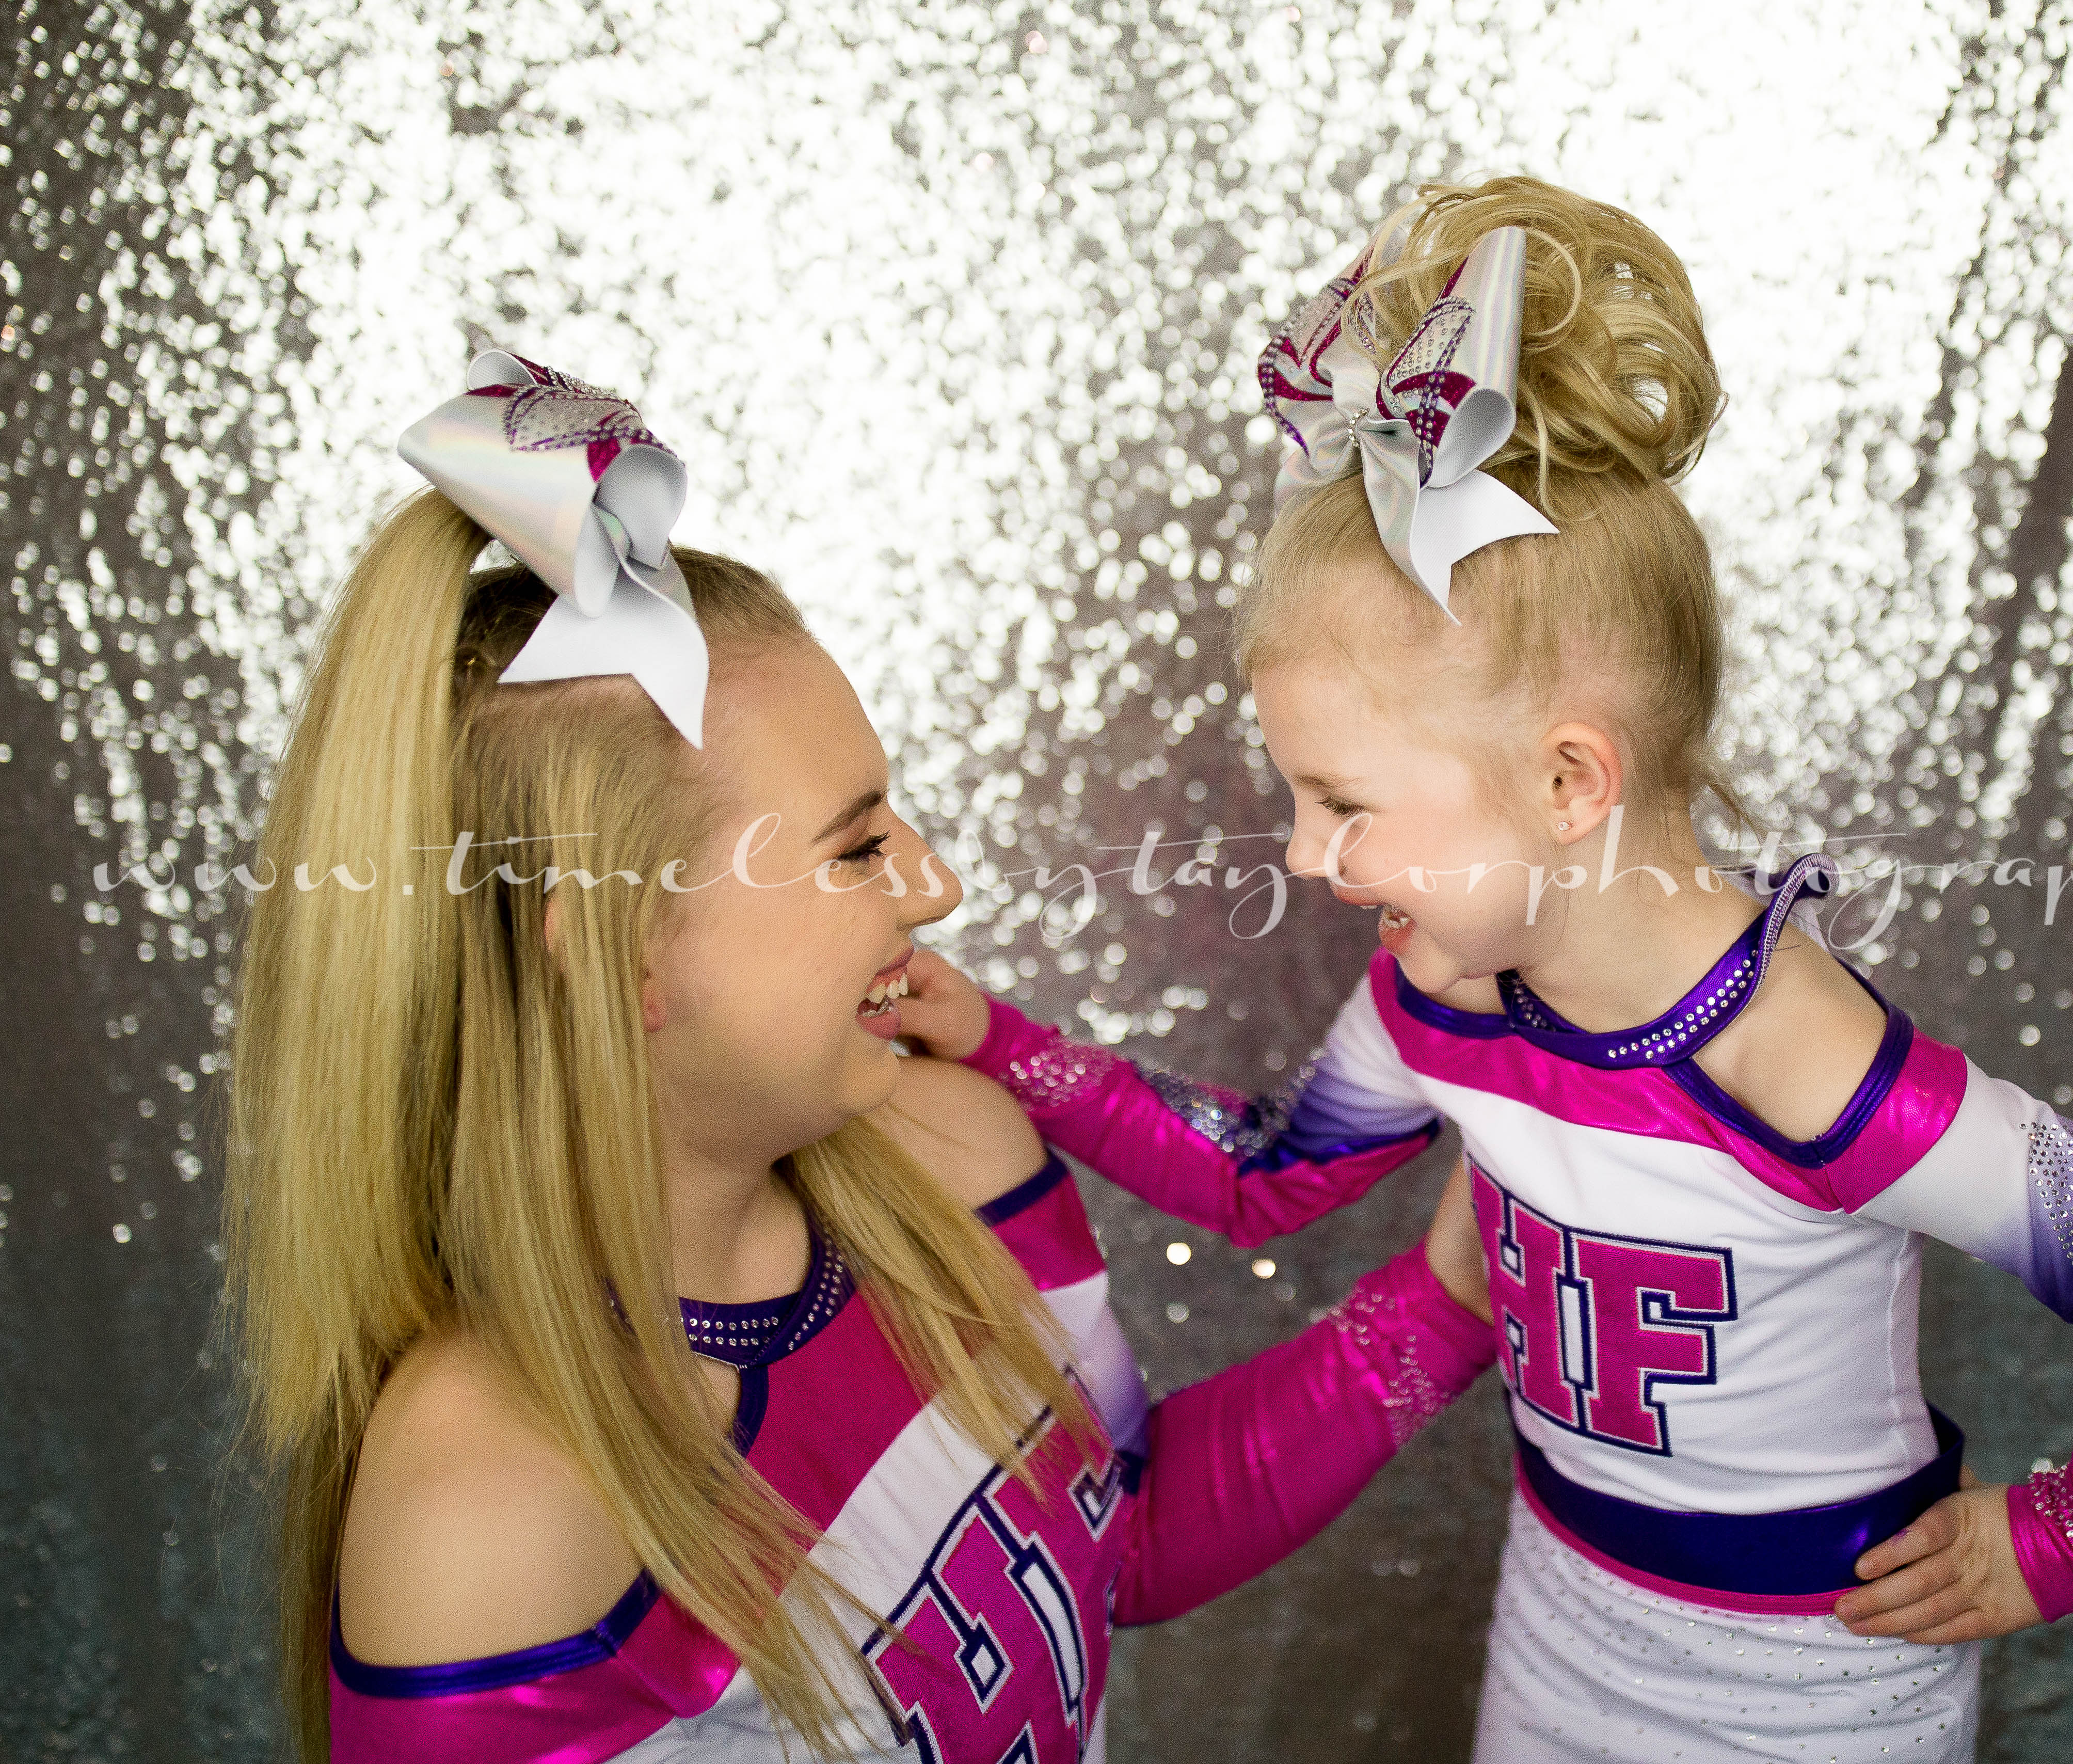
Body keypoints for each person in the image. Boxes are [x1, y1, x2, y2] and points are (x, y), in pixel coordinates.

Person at [893, 178, 2073, 1762]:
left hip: (1822, 1682)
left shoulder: (1799, 1058)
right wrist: (998, 1037)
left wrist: (2067, 1538)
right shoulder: (1441, 990)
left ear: (1568, 781)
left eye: (1344, 803)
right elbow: (1262, 1175)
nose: (1304, 853)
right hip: (1562, 1618)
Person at [223, 353, 1496, 1764]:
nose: (934, 884)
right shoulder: (488, 1508)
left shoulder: (955, 1157)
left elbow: (1117, 1535)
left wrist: (1451, 1297)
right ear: (625, 948)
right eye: (856, 845)